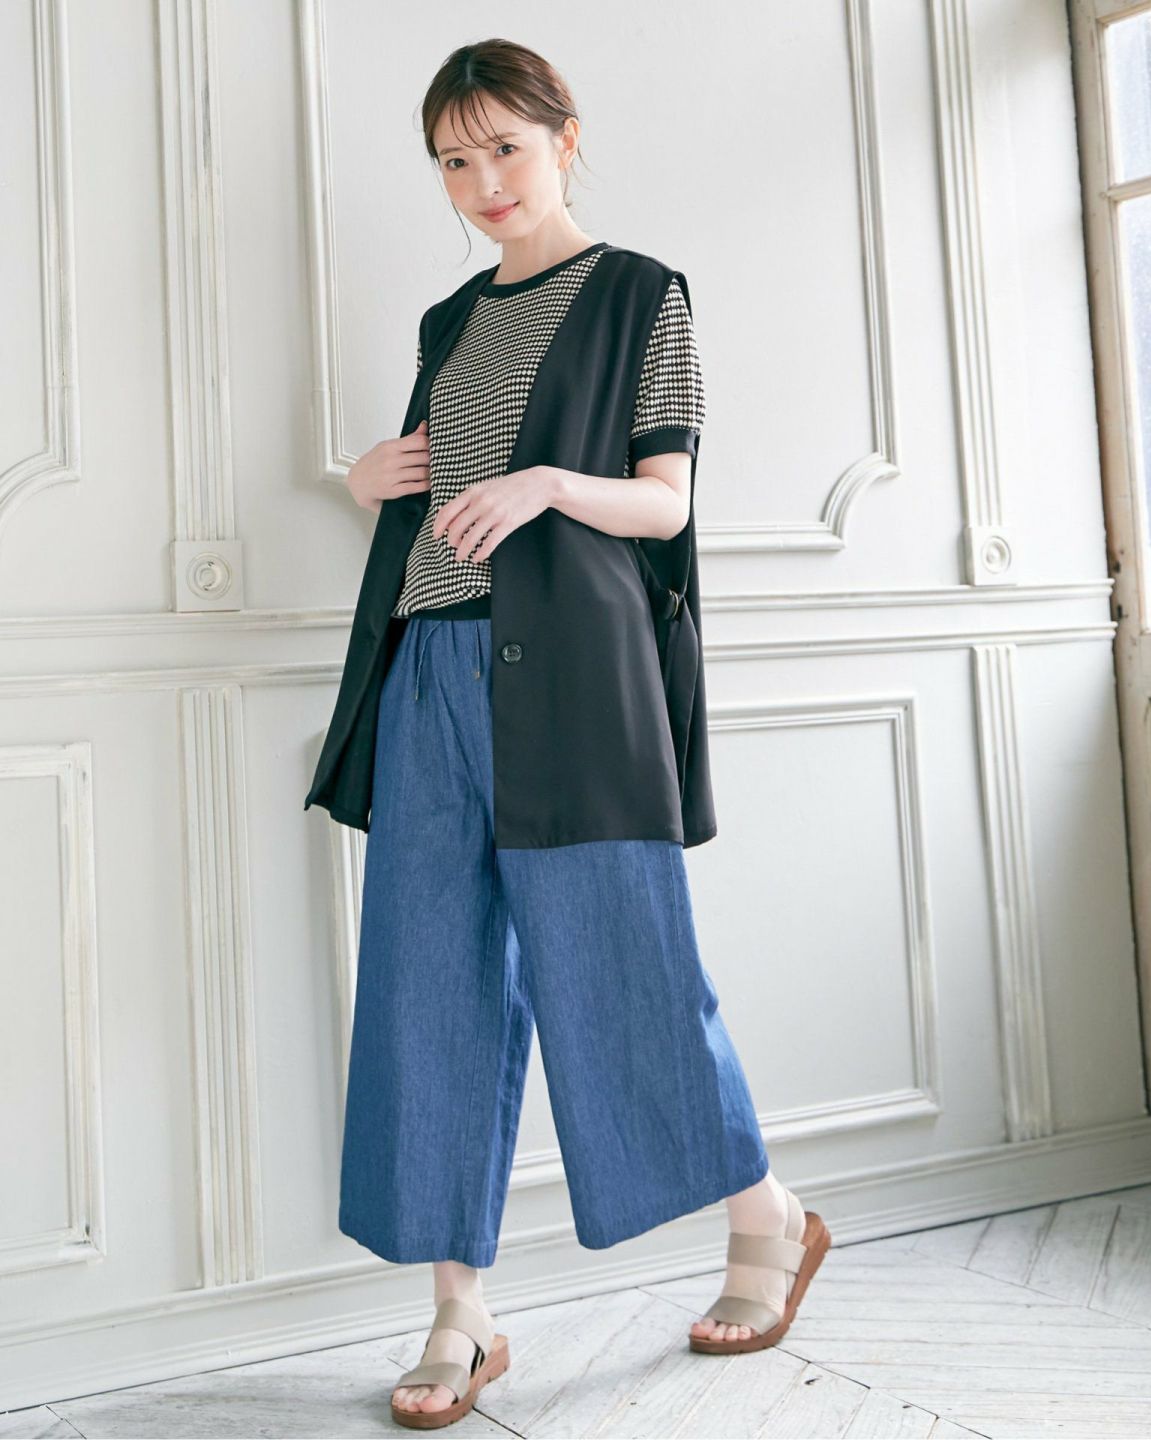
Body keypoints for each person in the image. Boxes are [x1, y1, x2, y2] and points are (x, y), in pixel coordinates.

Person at [325, 37, 831, 1430]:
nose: (483, 181)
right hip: (432, 669)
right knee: (428, 980)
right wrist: (364, 477)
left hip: (573, 681)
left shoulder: (639, 294)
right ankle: (460, 1313)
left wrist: (550, 480)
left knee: (623, 962)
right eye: (454, 160)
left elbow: (666, 502)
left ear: (564, 136)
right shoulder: (446, 321)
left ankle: (769, 1218)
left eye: (505, 147)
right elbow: (429, 491)